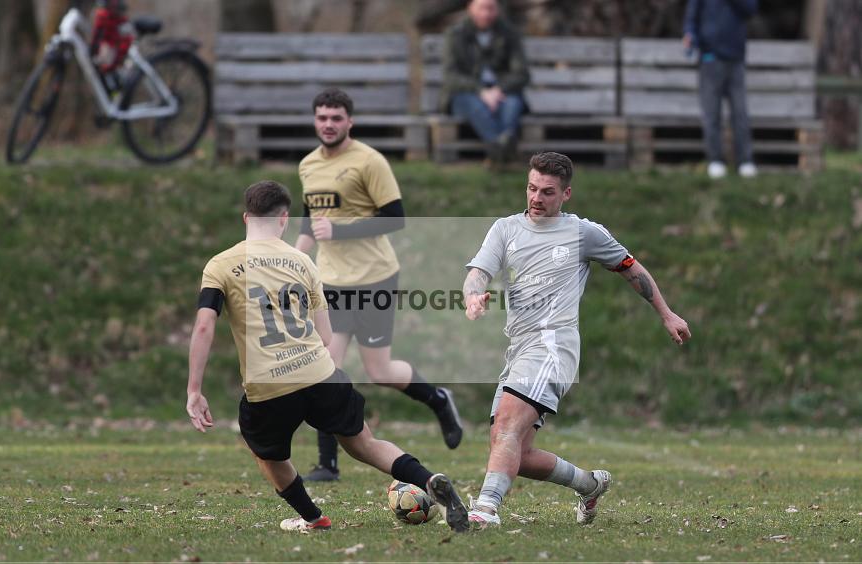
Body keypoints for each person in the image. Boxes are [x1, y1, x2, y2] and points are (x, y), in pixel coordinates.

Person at [185, 181, 469, 533]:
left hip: (269, 386)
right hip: (320, 373)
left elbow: (203, 328)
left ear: (246, 218)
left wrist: (194, 390)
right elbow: (326, 336)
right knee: (365, 443)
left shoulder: (220, 265)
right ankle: (429, 480)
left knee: (269, 457)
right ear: (284, 219)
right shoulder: (303, 261)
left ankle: (313, 518)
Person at [462, 152, 691, 527]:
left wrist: (666, 314)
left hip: (553, 347)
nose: (536, 198)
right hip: (519, 347)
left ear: (566, 194)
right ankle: (589, 484)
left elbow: (630, 268)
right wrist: (474, 295)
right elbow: (477, 271)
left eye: (547, 192)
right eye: (532, 188)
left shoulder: (584, 233)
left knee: (506, 425)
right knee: (515, 448)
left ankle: (485, 509)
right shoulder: (505, 229)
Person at [296, 87, 463, 483]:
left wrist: (340, 230)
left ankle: (439, 399)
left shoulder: (369, 161)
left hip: (374, 277)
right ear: (315, 120)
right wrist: (289, 264)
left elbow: (396, 218)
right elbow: (310, 224)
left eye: (336, 118)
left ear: (349, 121)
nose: (329, 124)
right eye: (322, 117)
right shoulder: (307, 166)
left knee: (380, 370)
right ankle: (328, 463)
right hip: (330, 284)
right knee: (325, 369)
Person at [440, 0, 530, 165]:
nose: (486, 13)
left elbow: (521, 73)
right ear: (470, 8)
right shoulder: (455, 34)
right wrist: (481, 91)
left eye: (491, 8)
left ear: (498, 9)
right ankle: (504, 148)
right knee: (474, 104)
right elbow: (451, 76)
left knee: (512, 103)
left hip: (503, 92)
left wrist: (498, 89)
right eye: (482, 8)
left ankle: (497, 152)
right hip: (467, 93)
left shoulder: (509, 34)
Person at [683, 0, 759, 179]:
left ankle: (745, 161)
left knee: (740, 113)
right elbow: (691, 18)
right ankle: (715, 160)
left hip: (736, 58)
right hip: (710, 58)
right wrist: (689, 35)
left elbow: (750, 9)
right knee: (712, 113)